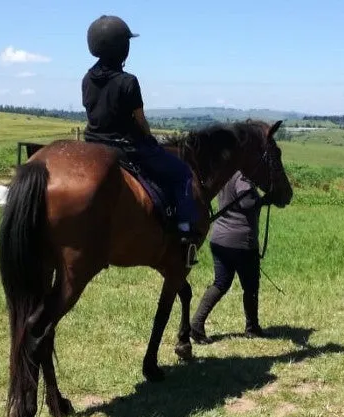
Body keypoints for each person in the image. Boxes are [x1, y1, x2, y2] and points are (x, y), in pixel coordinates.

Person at [81, 15, 198, 246]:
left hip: (93, 145)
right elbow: (141, 121)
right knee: (183, 173)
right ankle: (185, 229)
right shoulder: (128, 81)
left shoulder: (86, 79)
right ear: (122, 48)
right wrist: (149, 135)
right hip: (127, 148)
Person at [191, 171, 270, 343]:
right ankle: (252, 327)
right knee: (250, 286)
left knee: (220, 283)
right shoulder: (243, 177)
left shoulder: (225, 174)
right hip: (241, 241)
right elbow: (247, 202)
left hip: (220, 238)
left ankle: (197, 323)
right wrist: (265, 199)